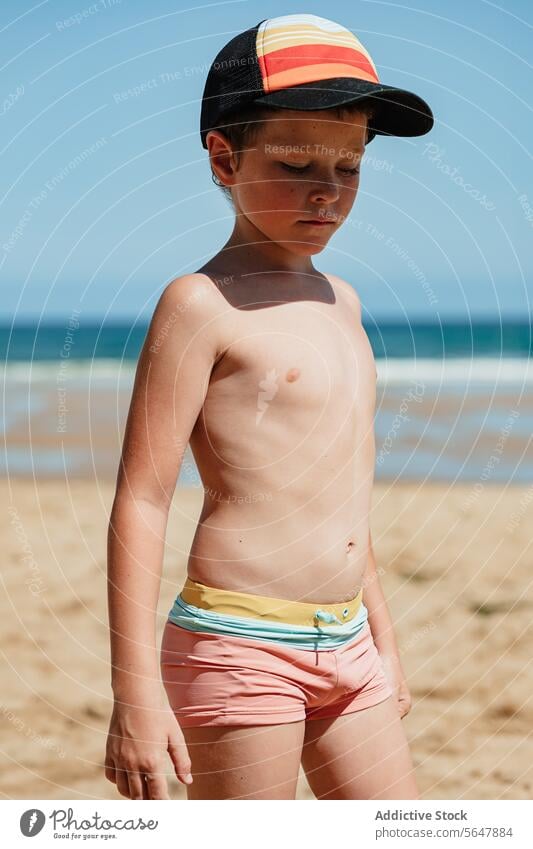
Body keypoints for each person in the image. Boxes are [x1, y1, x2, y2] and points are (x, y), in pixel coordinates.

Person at [104, 12, 434, 801]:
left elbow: (339, 489)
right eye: (292, 164)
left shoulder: (342, 302)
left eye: (348, 167)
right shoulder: (201, 303)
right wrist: (134, 693)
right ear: (223, 158)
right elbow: (143, 498)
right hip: (239, 644)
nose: (326, 189)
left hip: (349, 642)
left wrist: (383, 641)